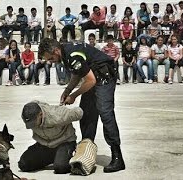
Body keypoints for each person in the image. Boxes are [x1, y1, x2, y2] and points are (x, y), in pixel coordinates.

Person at [38, 38, 125, 173]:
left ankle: (117, 157)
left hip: (104, 75)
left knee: (105, 112)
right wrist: (67, 90)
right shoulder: (66, 52)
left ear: (56, 51)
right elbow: (78, 73)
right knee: (87, 113)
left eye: (51, 58)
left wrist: (74, 95)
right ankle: (86, 149)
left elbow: (90, 80)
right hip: (95, 75)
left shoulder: (72, 54)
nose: (51, 61)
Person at [18, 100, 83, 174]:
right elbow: (36, 103)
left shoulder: (57, 114)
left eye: (34, 122)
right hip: (44, 145)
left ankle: (67, 154)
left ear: (40, 114)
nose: (32, 125)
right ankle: (55, 157)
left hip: (64, 143)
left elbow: (79, 113)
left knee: (60, 168)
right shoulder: (27, 115)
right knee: (23, 164)